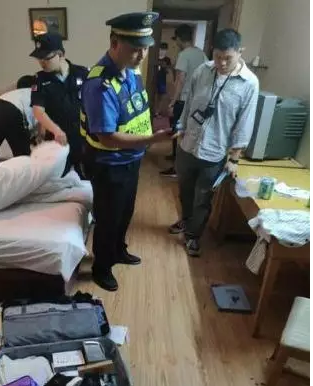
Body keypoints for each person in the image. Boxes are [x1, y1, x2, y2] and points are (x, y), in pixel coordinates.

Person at [81, 12, 179, 291]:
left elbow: (136, 111)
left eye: (145, 48)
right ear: (114, 43)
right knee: (108, 217)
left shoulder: (132, 72)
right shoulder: (100, 84)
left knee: (125, 211)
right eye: (135, 49)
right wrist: (151, 139)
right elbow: (107, 136)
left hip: (131, 157)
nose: (142, 55)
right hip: (109, 161)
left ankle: (118, 250)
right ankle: (102, 267)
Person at [169, 28, 259, 257]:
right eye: (218, 57)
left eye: (227, 58)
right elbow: (189, 101)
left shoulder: (249, 83)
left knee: (203, 198)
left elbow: (244, 123)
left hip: (214, 152)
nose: (221, 63)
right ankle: (186, 220)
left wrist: (234, 158)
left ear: (240, 52)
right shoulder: (202, 70)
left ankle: (193, 236)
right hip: (188, 145)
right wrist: (181, 128)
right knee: (185, 191)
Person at [30, 33, 88, 177]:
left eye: (46, 58)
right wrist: (56, 131)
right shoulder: (40, 80)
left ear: (60, 54)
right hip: (57, 138)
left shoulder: (82, 73)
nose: (42, 63)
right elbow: (38, 111)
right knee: (58, 178)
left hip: (81, 135)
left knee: (85, 176)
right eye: (39, 58)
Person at [160, 24, 207, 177]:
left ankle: (176, 167)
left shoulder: (184, 55)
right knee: (190, 133)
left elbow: (180, 80)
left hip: (183, 100)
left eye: (176, 40)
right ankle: (179, 162)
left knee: (177, 131)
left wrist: (172, 102)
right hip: (197, 101)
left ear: (179, 39)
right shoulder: (201, 54)